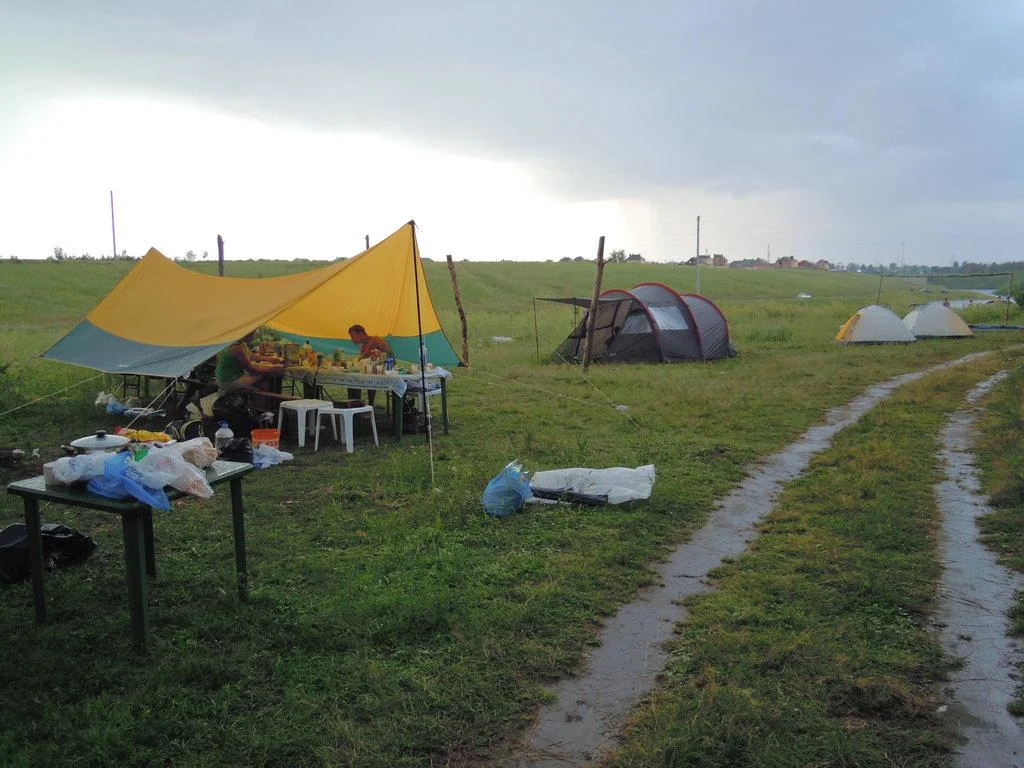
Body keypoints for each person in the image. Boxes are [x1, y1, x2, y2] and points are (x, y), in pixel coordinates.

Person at [215, 331, 285, 393]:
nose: (254, 336)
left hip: (224, 378)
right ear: (246, 333)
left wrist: (270, 359)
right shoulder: (236, 348)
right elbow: (252, 370)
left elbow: (250, 355)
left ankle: (259, 396)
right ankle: (262, 402)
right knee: (266, 375)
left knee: (264, 373)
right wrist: (273, 369)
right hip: (228, 382)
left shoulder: (240, 343)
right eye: (252, 333)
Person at [347, 324, 393, 405]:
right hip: (375, 371)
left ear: (360, 333)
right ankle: (355, 404)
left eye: (352, 336)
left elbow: (362, 358)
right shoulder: (364, 346)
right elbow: (362, 361)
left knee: (360, 378)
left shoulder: (374, 340)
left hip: (387, 370)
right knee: (354, 379)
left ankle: (364, 405)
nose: (352, 339)